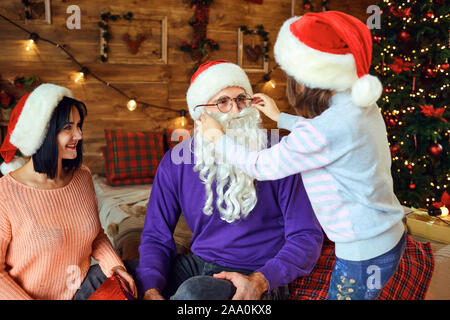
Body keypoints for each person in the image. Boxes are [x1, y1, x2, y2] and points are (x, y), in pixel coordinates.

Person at [198, 12, 407, 300]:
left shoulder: (323, 131)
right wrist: (280, 117)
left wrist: (216, 138)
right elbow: (333, 136)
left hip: (361, 251)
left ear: (310, 78)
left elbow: (260, 165)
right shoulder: (361, 107)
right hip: (388, 235)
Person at [136, 60, 323, 300]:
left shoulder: (279, 154)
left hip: (257, 275)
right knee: (115, 276)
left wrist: (261, 280)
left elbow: (306, 237)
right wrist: (150, 289)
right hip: (198, 265)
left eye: (241, 99)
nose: (236, 110)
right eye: (223, 101)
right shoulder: (176, 161)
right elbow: (155, 236)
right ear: (200, 114)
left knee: (193, 294)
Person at [0, 83, 137, 300]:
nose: (79, 135)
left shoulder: (82, 177)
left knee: (136, 271)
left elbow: (96, 236)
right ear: (42, 133)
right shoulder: (6, 194)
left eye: (79, 126)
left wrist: (115, 267)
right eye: (68, 127)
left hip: (81, 291)